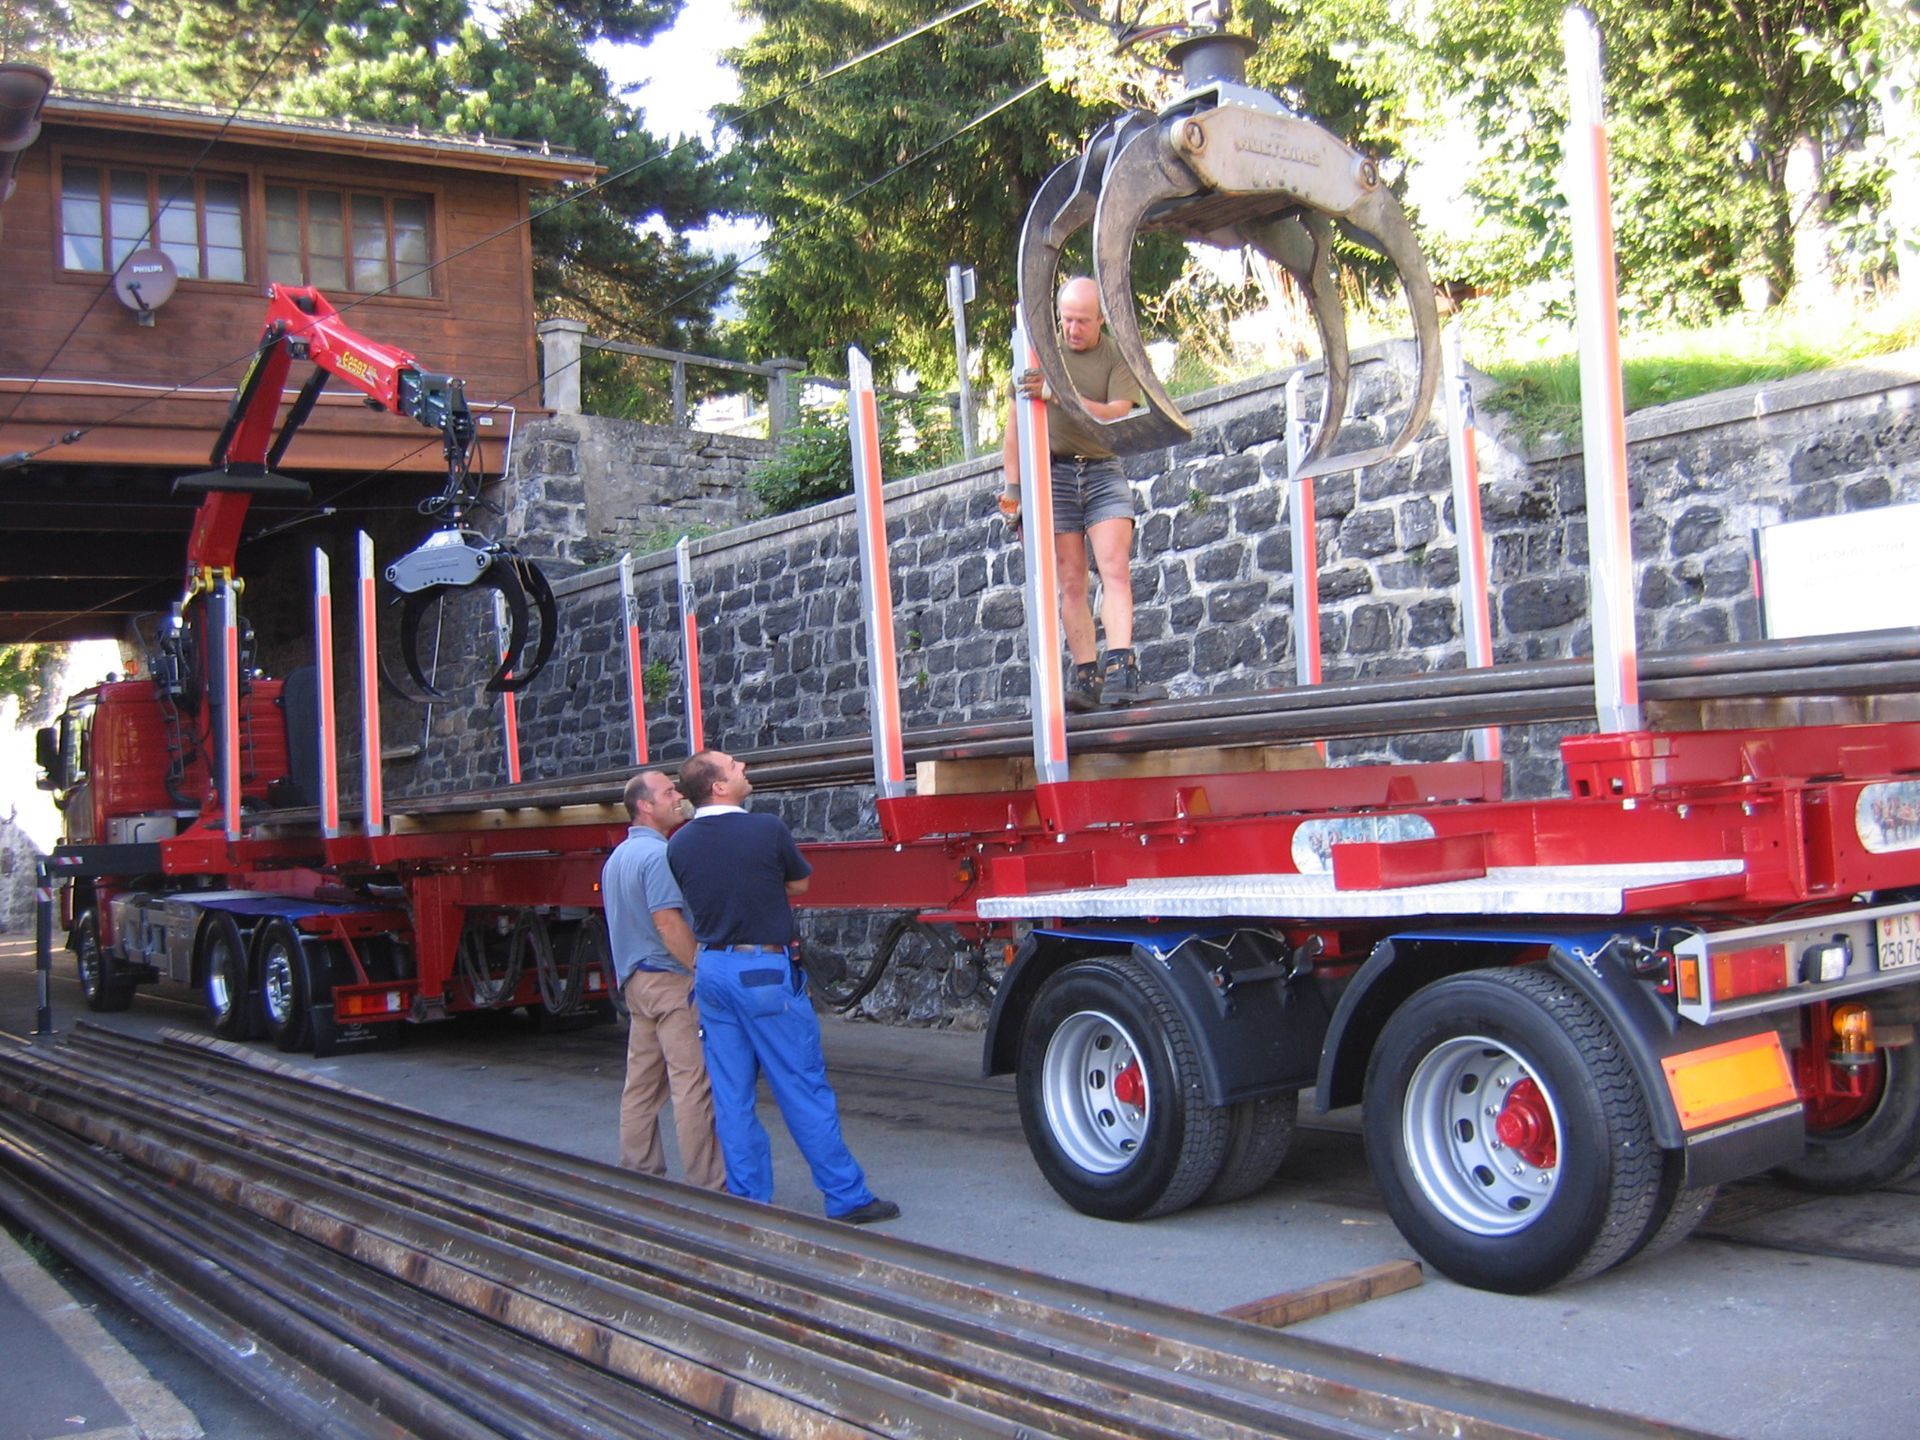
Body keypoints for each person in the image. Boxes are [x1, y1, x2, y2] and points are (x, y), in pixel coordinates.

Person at [666, 749, 900, 1225]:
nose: (743, 769)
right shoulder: (766, 829)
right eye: (734, 767)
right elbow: (800, 886)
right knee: (801, 1086)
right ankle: (846, 1195)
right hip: (763, 970)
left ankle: (750, 1199)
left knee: (731, 1095)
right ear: (718, 786)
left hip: (710, 969)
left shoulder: (679, 843)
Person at [1000, 274, 1166, 712]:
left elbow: (1115, 415)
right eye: (1066, 320)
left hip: (1101, 468)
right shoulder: (1040, 353)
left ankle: (1120, 669)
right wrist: (1013, 494)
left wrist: (1058, 394)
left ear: (1100, 320)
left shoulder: (1116, 355)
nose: (1072, 330)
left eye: (1081, 322)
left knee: (1114, 568)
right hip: (1053, 474)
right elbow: (1014, 427)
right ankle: (1086, 674)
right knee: (1071, 580)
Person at [602, 769, 726, 1191]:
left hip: (637, 983)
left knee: (641, 1085)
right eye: (668, 792)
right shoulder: (658, 857)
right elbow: (667, 921)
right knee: (692, 1085)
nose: (678, 796)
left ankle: (639, 1173)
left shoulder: (617, 857)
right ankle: (711, 1184)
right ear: (644, 805)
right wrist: (700, 968)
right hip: (671, 983)